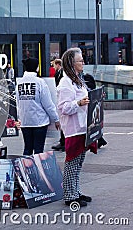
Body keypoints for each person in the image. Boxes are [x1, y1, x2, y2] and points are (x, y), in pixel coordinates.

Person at [57, 47, 96, 207]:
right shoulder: (65, 82)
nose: (83, 63)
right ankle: (69, 194)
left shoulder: (77, 80)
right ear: (72, 63)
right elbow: (64, 107)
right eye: (80, 60)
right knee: (72, 163)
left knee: (78, 163)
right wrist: (78, 103)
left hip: (82, 127)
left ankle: (76, 191)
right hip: (73, 129)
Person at [16, 57, 60, 155]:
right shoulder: (40, 82)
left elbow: (17, 103)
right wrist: (56, 119)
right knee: (38, 150)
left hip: (25, 121)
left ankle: (26, 169)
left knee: (27, 149)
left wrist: (18, 118)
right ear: (36, 67)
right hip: (39, 121)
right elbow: (48, 104)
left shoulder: (19, 83)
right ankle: (37, 169)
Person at [83, 72, 108, 148]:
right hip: (92, 104)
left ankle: (99, 139)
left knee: (92, 124)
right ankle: (100, 139)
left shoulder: (85, 78)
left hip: (89, 105)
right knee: (94, 123)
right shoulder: (86, 77)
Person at [52, 58, 66, 151]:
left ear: (57, 64)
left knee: (63, 121)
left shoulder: (61, 73)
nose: (53, 67)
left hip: (62, 99)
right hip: (61, 99)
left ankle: (63, 142)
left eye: (54, 65)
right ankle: (63, 141)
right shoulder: (61, 72)